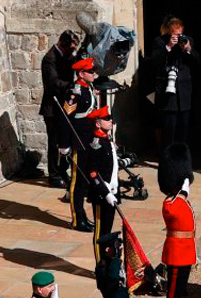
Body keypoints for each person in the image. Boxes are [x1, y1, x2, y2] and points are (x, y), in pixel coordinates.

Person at [160, 144, 197, 298]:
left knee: (178, 296)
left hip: (185, 254)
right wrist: (182, 192)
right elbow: (173, 212)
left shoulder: (180, 200)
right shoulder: (171, 201)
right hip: (175, 255)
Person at [60, 57, 99, 232]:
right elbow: (66, 120)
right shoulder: (74, 93)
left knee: (85, 181)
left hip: (88, 138)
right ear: (81, 74)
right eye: (90, 71)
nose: (94, 74)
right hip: (78, 140)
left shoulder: (88, 88)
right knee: (77, 181)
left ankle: (82, 214)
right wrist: (64, 144)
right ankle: (77, 219)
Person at [150, 16, 200, 147]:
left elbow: (197, 62)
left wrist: (188, 49)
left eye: (180, 34)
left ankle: (181, 159)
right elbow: (154, 62)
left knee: (184, 131)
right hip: (168, 95)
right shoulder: (160, 42)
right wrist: (168, 47)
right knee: (168, 130)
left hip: (184, 93)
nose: (178, 37)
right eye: (175, 34)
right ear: (169, 33)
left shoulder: (187, 41)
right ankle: (167, 159)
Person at [41, 30, 79, 188]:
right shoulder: (50, 59)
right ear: (63, 45)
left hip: (64, 106)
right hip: (52, 107)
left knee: (65, 141)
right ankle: (54, 176)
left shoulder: (65, 55)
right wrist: (71, 86)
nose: (72, 51)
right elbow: (53, 82)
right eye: (71, 48)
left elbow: (72, 64)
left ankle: (64, 171)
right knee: (54, 142)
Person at [84, 106, 120, 263]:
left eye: (110, 118)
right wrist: (106, 193)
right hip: (102, 195)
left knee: (108, 231)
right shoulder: (95, 143)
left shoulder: (106, 139)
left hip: (113, 192)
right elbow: (93, 173)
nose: (110, 120)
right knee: (101, 232)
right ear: (98, 123)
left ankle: (106, 261)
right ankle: (100, 264)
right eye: (107, 119)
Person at [95, 232, 137, 298]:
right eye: (116, 246)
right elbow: (112, 278)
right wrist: (116, 257)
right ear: (108, 250)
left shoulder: (116, 263)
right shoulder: (103, 267)